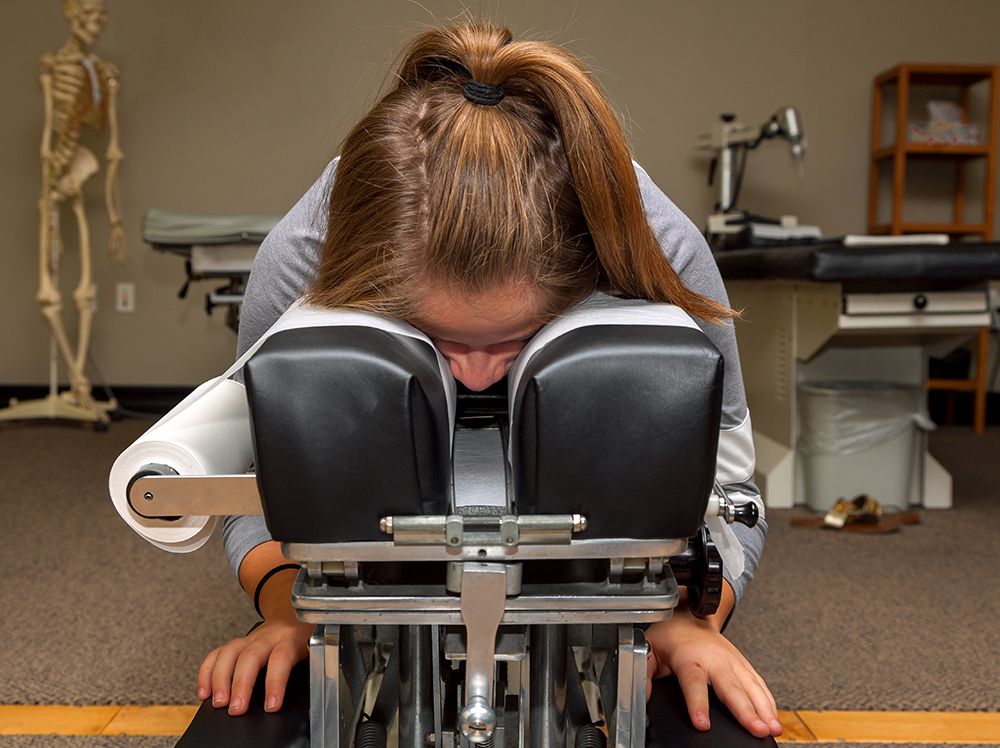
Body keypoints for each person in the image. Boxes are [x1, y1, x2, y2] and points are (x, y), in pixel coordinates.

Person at [198, 22, 780, 741]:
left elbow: (731, 491)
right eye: (439, 342)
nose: (475, 374)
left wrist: (689, 619)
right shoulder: (302, 262)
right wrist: (290, 608)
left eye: (510, 341)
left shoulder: (657, 251)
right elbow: (265, 478)